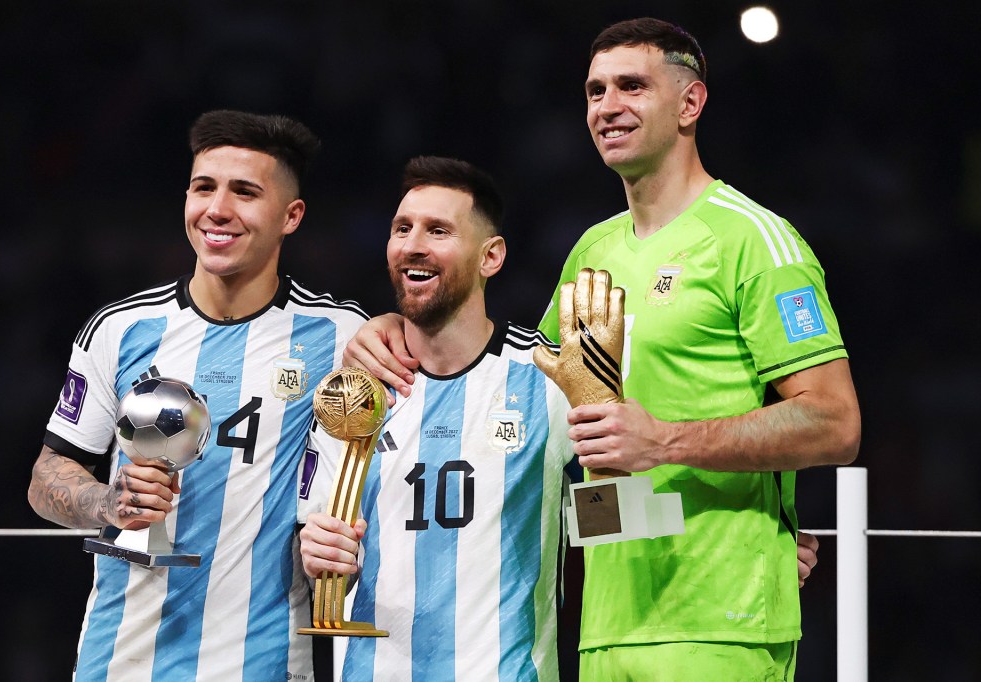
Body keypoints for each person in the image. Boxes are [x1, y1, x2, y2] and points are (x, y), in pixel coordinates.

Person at [342, 18, 858, 681]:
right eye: (595, 91)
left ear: (690, 103)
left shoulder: (755, 242)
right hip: (606, 627)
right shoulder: (594, 252)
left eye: (633, 86)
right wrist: (397, 325)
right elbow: (541, 411)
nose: (608, 106)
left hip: (721, 623)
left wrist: (685, 458)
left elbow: (835, 423)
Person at [27, 110, 367, 682]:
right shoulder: (120, 329)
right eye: (203, 187)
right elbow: (46, 477)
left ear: (292, 216)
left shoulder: (342, 338)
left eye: (245, 192)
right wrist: (107, 503)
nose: (217, 209)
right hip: (120, 660)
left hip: (265, 664)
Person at [299, 156, 573, 681]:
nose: (413, 244)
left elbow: (623, 499)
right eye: (402, 228)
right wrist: (315, 547)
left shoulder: (548, 379)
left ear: (491, 257)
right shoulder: (354, 390)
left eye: (438, 230)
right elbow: (313, 527)